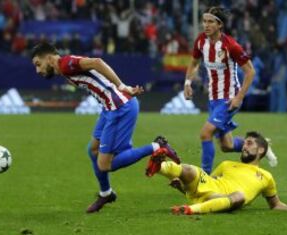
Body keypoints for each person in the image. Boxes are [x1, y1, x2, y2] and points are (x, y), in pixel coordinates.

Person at [31, 42, 180, 213]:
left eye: (38, 64)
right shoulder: (64, 68)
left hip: (119, 107)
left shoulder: (66, 64)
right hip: (109, 108)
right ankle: (106, 193)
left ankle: (157, 146)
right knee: (92, 150)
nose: (38, 71)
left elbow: (97, 63)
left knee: (105, 165)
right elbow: (90, 76)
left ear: (49, 58)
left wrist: (122, 87)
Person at [183, 6, 277, 174]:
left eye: (210, 21)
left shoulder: (230, 46)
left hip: (229, 98)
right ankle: (263, 145)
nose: (206, 25)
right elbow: (194, 62)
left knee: (205, 134)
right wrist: (187, 83)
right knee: (226, 146)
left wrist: (239, 98)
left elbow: (250, 71)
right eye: (204, 21)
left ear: (220, 25)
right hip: (213, 98)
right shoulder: (200, 41)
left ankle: (204, 178)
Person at [145, 131, 287, 215]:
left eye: (249, 143)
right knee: (188, 169)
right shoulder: (227, 164)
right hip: (211, 188)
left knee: (239, 196)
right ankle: (158, 166)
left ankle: (189, 210)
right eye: (244, 143)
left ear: (260, 150)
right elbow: (206, 183)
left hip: (227, 197)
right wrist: (182, 188)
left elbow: (275, 205)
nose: (244, 146)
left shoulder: (266, 176)